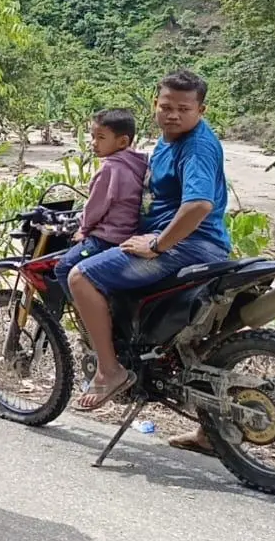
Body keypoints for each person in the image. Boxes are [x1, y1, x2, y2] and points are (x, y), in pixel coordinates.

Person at [68, 70, 231, 414]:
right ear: (154, 104)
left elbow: (199, 205)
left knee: (81, 276)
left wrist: (157, 245)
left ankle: (109, 370)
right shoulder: (166, 140)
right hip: (190, 242)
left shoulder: (196, 146)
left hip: (190, 245)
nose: (173, 114)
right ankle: (212, 428)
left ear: (201, 110)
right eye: (166, 106)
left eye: (184, 109)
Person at [53, 109, 148, 295]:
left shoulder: (110, 168)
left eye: (101, 138)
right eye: (92, 136)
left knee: (64, 267)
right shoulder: (139, 163)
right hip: (131, 234)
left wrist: (84, 229)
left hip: (107, 238)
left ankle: (85, 315)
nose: (93, 143)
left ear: (122, 141)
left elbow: (96, 207)